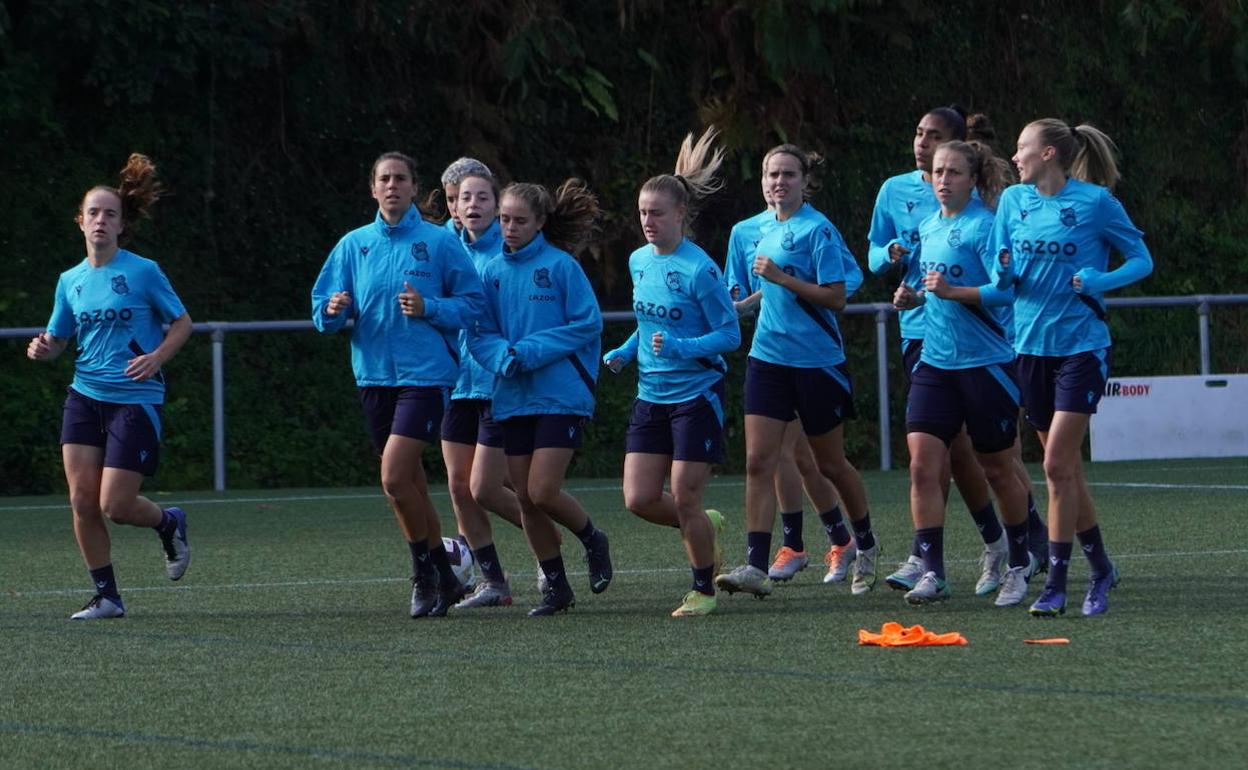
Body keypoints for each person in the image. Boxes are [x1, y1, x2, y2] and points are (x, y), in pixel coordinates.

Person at [868, 107, 1045, 596]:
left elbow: (1006, 291)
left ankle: (1017, 561)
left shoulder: (988, 228)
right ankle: (933, 571)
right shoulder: (927, 227)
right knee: (923, 463)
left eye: (953, 173)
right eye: (938, 172)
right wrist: (913, 296)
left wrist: (950, 292)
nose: (942, 179)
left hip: (986, 364)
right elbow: (930, 285)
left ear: (973, 179)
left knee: (996, 467)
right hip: (936, 362)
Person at [312, 151, 485, 618]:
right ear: (373, 188)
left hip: (426, 376)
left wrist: (429, 307)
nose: (392, 185)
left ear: (414, 188)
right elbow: (323, 306)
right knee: (406, 486)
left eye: (401, 178)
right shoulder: (353, 244)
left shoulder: (439, 243)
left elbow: (472, 304)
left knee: (392, 475)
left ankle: (423, 577)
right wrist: (334, 311)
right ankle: (446, 579)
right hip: (373, 376)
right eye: (384, 179)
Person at [991, 119, 1152, 617]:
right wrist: (1002, 273)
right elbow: (1000, 276)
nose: (1015, 157)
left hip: (1082, 348)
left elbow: (1142, 259)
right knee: (1066, 471)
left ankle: (1057, 584)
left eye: (1022, 148)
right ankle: (1101, 566)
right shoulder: (1013, 203)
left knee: (1057, 465)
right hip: (1030, 349)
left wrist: (1100, 279)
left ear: (1051, 153)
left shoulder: (1095, 203)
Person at [27, 153, 192, 619]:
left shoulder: (143, 272)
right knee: (82, 501)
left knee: (115, 504)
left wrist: (157, 356)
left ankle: (169, 522)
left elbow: (182, 323)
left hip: (135, 399)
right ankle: (108, 597)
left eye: (110, 213)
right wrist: (43, 350)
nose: (101, 220)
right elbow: (58, 339)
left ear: (121, 225)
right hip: (84, 397)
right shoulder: (70, 281)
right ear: (80, 222)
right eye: (94, 213)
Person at [715, 143, 881, 599]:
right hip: (768, 358)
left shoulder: (818, 230)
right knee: (757, 460)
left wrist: (783, 278)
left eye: (789, 174)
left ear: (805, 182)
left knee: (829, 463)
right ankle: (755, 565)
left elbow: (837, 297)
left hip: (817, 362)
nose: (779, 182)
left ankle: (864, 544)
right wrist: (739, 306)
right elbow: (760, 294)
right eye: (772, 174)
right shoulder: (755, 231)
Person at [603, 128, 739, 617]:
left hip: (696, 393)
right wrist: (623, 350)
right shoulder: (640, 261)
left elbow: (729, 336)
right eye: (642, 212)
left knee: (683, 495)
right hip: (650, 393)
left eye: (657, 212)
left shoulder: (700, 270)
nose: (647, 221)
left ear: (681, 214)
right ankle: (704, 523)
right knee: (639, 499)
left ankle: (703, 589)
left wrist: (681, 347)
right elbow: (647, 323)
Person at [469, 179, 612, 617]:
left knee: (542, 490)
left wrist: (529, 352)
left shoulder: (562, 267)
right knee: (528, 500)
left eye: (519, 220)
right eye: (505, 219)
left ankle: (592, 538)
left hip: (560, 395)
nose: (509, 228)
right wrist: (501, 357)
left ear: (540, 223)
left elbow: (587, 325)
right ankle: (557, 588)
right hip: (513, 396)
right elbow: (479, 333)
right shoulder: (490, 271)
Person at [439, 167, 528, 609]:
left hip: (500, 383)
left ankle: (562, 545)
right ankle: (493, 581)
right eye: (459, 197)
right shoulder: (440, 247)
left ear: (496, 204)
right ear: (450, 203)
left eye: (479, 197)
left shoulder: (509, 251)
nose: (469, 205)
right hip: (458, 384)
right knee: (461, 487)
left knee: (506, 487)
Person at [439, 157, 492, 234]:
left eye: (465, 198)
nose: (455, 208)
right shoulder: (440, 239)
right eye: (450, 200)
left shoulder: (508, 240)